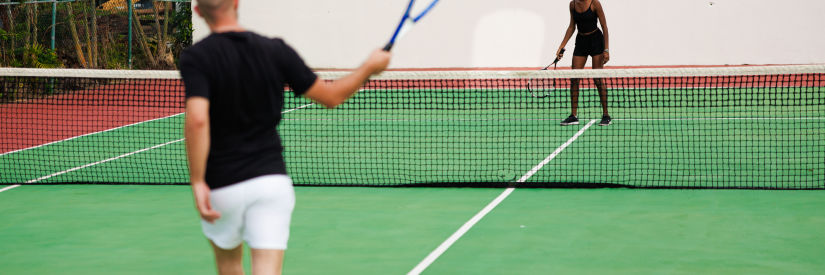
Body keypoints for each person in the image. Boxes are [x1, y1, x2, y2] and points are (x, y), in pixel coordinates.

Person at [180, 0, 391, 274]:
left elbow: (197, 119)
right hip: (270, 182)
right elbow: (331, 97)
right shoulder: (275, 50)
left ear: (198, 12)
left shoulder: (196, 57)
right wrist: (369, 68)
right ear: (236, 3)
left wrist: (197, 181)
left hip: (222, 184)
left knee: (229, 265)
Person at [555, 0, 612, 126]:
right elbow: (572, 26)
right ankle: (573, 116)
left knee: (598, 79)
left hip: (596, 40)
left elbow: (604, 26)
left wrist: (606, 49)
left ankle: (606, 115)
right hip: (581, 41)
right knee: (574, 78)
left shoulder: (594, 3)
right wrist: (561, 46)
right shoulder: (572, 4)